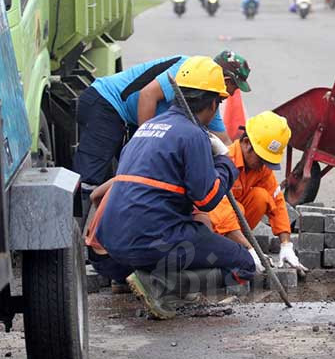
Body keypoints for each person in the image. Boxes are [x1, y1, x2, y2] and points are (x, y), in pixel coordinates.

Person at [85, 56, 256, 319]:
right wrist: (226, 163)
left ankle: (145, 276)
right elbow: (208, 199)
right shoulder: (192, 134)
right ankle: (162, 285)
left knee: (191, 231)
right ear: (212, 103)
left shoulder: (147, 128)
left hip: (112, 246)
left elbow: (101, 195)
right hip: (150, 239)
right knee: (243, 265)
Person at [73, 51, 252, 191]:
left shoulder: (208, 97)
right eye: (235, 87)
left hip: (123, 116)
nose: (234, 94)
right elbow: (147, 94)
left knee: (131, 175)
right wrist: (146, 145)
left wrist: (243, 169)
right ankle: (74, 228)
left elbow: (225, 142)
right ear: (227, 79)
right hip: (105, 103)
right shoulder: (187, 68)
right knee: (91, 176)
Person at [207, 111, 307, 272]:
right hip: (208, 230)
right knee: (236, 209)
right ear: (246, 143)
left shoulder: (260, 167)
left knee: (261, 197)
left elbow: (277, 202)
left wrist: (286, 244)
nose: (264, 165)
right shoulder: (224, 163)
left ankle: (235, 249)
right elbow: (222, 216)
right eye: (262, 159)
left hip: (233, 229)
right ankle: (226, 253)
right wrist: (251, 250)